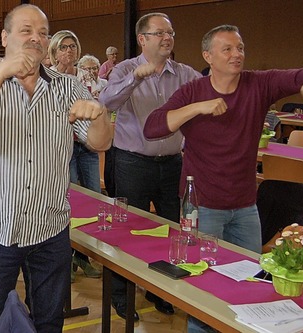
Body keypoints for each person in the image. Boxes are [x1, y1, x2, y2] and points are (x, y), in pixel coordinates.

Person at [143, 25, 303, 332]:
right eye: (227, 49)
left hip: (245, 206)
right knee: (202, 288)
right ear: (207, 56)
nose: (236, 55)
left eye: (240, 48)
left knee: (251, 281)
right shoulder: (192, 92)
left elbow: (300, 74)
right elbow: (153, 127)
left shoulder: (258, 84)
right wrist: (198, 108)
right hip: (202, 208)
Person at [0, 4, 112, 332]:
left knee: (50, 321)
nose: (36, 38)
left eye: (43, 32)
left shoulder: (67, 87)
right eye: (26, 30)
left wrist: (98, 114)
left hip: (50, 229)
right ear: (5, 36)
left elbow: (100, 143)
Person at [99, 12, 201, 320]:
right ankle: (121, 295)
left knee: (171, 230)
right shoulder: (124, 69)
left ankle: (161, 292)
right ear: (142, 39)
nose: (168, 38)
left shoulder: (184, 73)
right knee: (127, 232)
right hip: (132, 163)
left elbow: (211, 91)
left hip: (172, 165)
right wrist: (136, 78)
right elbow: (106, 102)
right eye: (160, 33)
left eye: (170, 33)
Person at [48, 30, 102, 281]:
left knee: (93, 199)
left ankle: (84, 257)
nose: (68, 51)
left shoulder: (88, 78)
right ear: (54, 51)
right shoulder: (50, 78)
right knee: (68, 199)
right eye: (63, 47)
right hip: (64, 146)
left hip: (87, 146)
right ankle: (67, 257)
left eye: (72, 46)